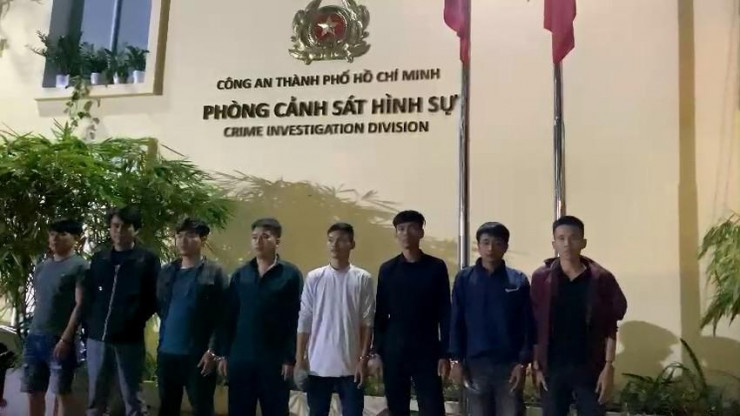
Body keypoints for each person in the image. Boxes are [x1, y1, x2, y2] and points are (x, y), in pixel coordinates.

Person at [530, 216, 628, 416]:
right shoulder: (542, 277)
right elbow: (534, 323)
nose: (567, 243)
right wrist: (536, 366)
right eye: (561, 238)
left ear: (583, 242)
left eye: (573, 238)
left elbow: (610, 325)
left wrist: (608, 367)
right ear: (554, 244)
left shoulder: (600, 278)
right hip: (553, 367)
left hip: (590, 366)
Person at [218, 218, 303, 416]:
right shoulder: (241, 274)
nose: (258, 242)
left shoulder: (290, 275)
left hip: (274, 361)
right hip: (241, 358)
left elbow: (296, 318)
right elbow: (228, 316)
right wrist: (224, 354)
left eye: (265, 237)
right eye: (254, 237)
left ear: (277, 241)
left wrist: (290, 358)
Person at [370, 210, 450, 416]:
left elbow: (445, 312)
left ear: (421, 232)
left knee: (432, 407)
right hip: (394, 350)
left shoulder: (436, 267)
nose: (406, 233)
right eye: (401, 229)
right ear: (396, 234)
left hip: (427, 349)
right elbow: (380, 314)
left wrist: (445, 353)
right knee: (397, 408)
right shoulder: (387, 269)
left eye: (412, 228)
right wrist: (377, 351)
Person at [449, 222, 534, 416]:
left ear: (505, 247)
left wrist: (523, 363)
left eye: (497, 243)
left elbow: (527, 324)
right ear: (478, 246)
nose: (490, 248)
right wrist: (456, 360)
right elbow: (456, 320)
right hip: (475, 364)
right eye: (485, 242)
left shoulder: (517, 280)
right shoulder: (465, 279)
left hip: (509, 364)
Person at [84, 206, 160, 416]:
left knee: (131, 396)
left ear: (136, 230)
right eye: (115, 226)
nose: (119, 231)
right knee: (96, 396)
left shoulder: (146, 260)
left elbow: (153, 298)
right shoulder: (100, 258)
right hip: (97, 337)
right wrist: (90, 323)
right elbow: (89, 294)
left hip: (129, 339)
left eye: (125, 227)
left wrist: (133, 319)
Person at [296, 222, 375, 416]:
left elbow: (367, 323)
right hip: (317, 365)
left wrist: (363, 359)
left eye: (341, 240)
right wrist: (299, 360)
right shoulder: (314, 277)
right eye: (331, 240)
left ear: (352, 244)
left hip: (351, 366)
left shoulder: (362, 278)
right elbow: (304, 320)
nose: (334, 245)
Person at [156, 218, 228, 416]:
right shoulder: (167, 271)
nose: (183, 240)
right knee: (167, 408)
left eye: (190, 235)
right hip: (167, 352)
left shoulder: (214, 272)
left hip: (198, 355)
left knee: (202, 408)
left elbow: (223, 315)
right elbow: (161, 306)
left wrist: (213, 350)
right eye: (179, 236)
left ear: (203, 239)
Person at [22, 219, 87, 416]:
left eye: (62, 234)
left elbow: (80, 304)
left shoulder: (80, 267)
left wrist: (66, 338)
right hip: (35, 335)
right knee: (33, 391)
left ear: (76, 239)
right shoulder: (42, 267)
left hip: (60, 338)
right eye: (52, 234)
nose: (55, 238)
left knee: (62, 393)